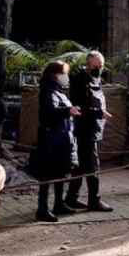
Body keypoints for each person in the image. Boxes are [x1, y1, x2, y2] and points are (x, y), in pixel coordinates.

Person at [65, 51, 114, 213]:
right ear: (88, 64)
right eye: (95, 66)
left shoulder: (95, 78)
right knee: (93, 166)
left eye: (101, 66)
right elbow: (79, 106)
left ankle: (71, 198)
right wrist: (99, 113)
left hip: (93, 128)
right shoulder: (79, 79)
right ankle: (94, 200)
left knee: (80, 166)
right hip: (84, 129)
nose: (99, 69)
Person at [31, 60, 80, 223]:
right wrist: (68, 110)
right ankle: (42, 209)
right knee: (47, 175)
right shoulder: (47, 91)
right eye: (63, 73)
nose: (65, 77)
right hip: (51, 140)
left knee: (61, 173)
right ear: (55, 74)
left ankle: (59, 204)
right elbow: (49, 113)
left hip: (63, 138)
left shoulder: (58, 91)